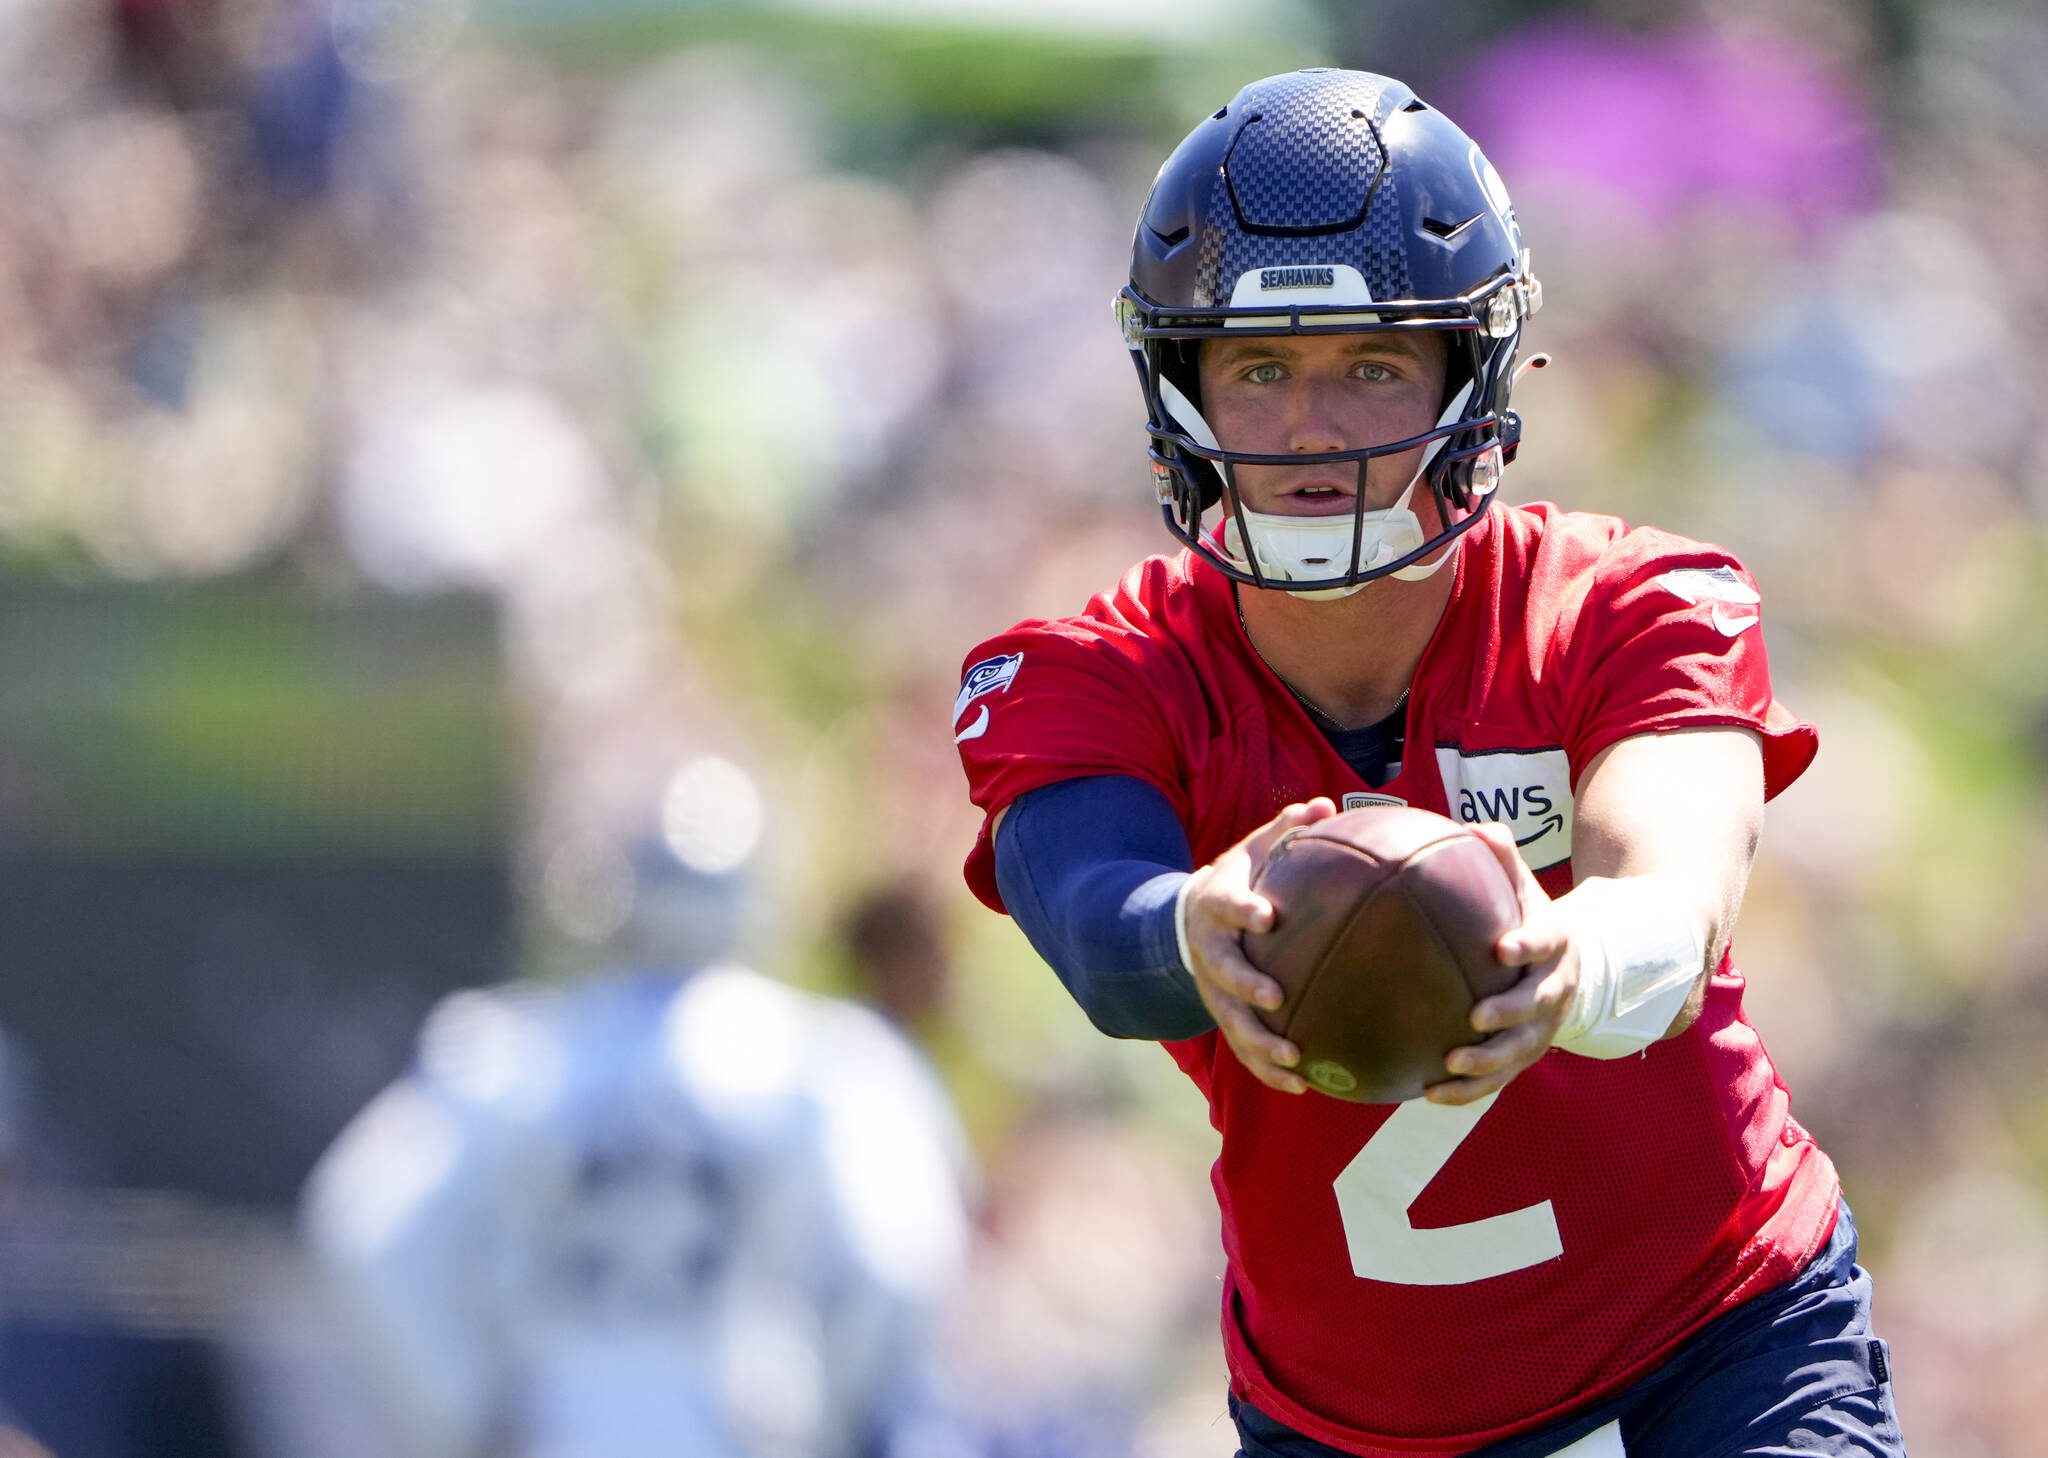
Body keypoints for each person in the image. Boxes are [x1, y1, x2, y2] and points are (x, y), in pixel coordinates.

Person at [952, 69, 1907, 1458]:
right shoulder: (1095, 671)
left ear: (1472, 377)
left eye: (1373, 363)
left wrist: (1572, 962)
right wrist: (1193, 933)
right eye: (1263, 368)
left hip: (1715, 1343)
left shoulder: (1630, 599)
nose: (1314, 428)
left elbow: (1676, 885)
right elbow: (1099, 930)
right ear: (1183, 385)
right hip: (1355, 1424)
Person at [301, 759, 971, 1458]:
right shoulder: (823, 1064)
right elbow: (900, 1260)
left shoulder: (518, 1056)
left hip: (559, 1425)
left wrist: (468, 1408)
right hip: (736, 1425)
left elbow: (362, 1226)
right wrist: (834, 1413)